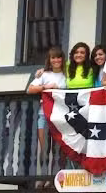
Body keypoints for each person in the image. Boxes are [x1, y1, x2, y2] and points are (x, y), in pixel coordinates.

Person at [27, 46, 66, 187]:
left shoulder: (67, 75)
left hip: (59, 116)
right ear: (49, 60)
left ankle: (53, 178)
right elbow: (30, 89)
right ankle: (43, 177)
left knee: (57, 148)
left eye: (58, 57)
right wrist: (46, 87)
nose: (56, 60)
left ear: (62, 59)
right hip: (43, 114)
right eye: (53, 57)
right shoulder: (44, 74)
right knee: (44, 149)